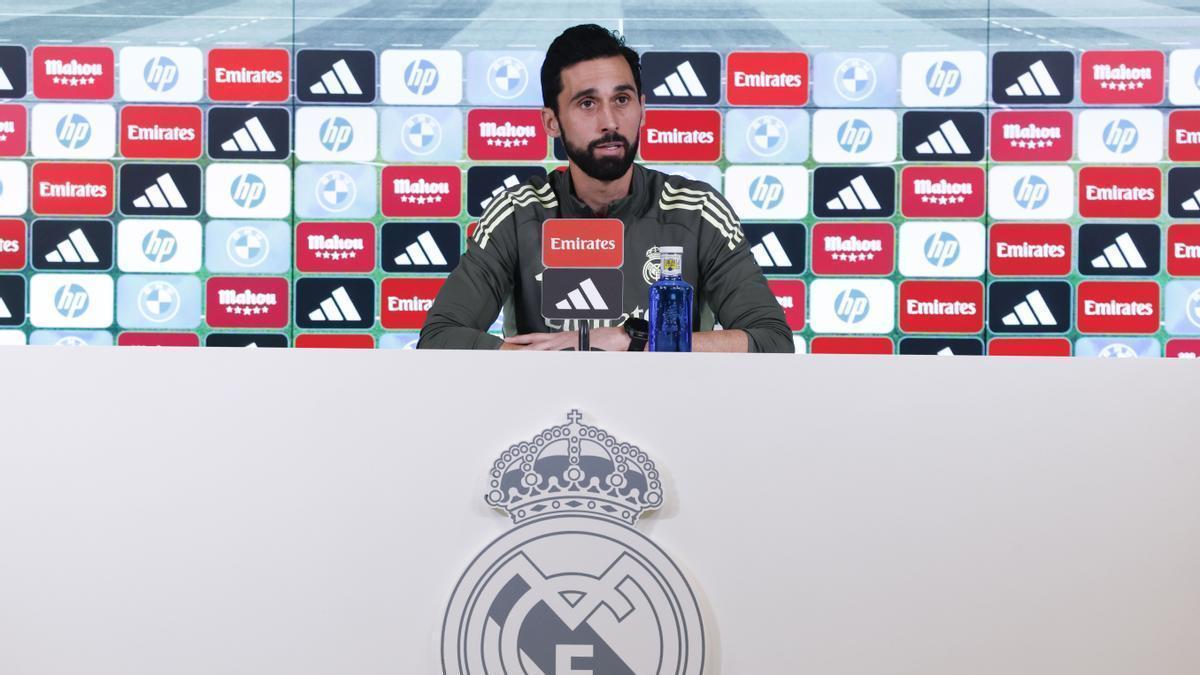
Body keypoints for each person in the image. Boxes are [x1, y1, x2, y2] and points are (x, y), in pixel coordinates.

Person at [418, 24, 794, 352]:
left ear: (642, 108)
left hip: (670, 407)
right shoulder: (518, 213)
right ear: (551, 122)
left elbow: (772, 341)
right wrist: (547, 359)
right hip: (548, 407)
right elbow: (439, 337)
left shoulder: (697, 210)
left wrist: (632, 341)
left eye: (621, 99)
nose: (610, 121)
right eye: (587, 104)